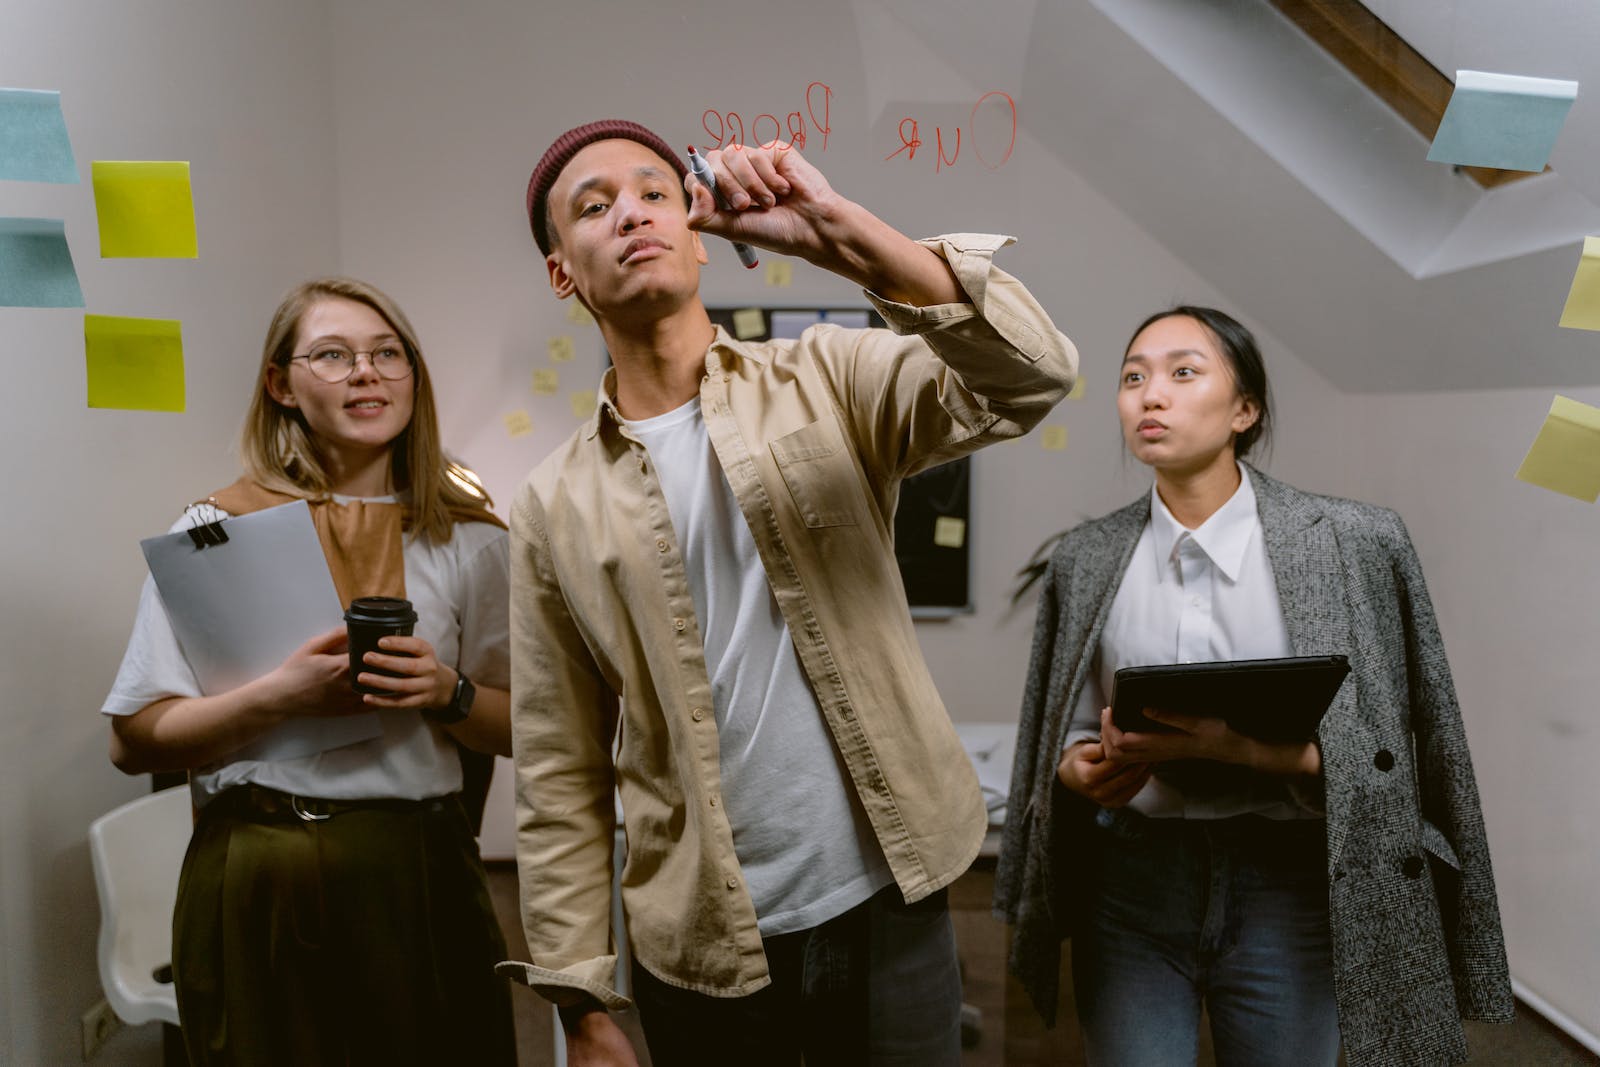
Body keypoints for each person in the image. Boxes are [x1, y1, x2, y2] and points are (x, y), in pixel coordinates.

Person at [499, 120, 1076, 1066]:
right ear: (563, 270)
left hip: (892, 897)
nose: (630, 214)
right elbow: (558, 764)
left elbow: (1032, 375)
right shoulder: (551, 503)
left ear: (694, 223)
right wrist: (580, 1001)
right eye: (593, 207)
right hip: (701, 946)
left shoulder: (825, 376)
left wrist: (839, 234)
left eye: (653, 191)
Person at [995, 306, 1513, 1066]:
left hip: (1294, 880)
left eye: (1182, 372)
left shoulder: (1354, 543)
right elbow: (1063, 725)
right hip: (1132, 881)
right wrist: (1080, 767)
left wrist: (1246, 751)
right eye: (1133, 376)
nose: (1150, 395)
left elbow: (1401, 755)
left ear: (1245, 410)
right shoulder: (1087, 555)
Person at [102, 277, 517, 1067]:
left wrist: (447, 693)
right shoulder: (217, 530)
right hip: (258, 859)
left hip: (417, 865)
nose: (367, 372)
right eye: (333, 354)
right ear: (280, 383)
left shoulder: (469, 539)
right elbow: (133, 740)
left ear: (413, 377)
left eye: (387, 353)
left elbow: (528, 725)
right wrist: (276, 697)